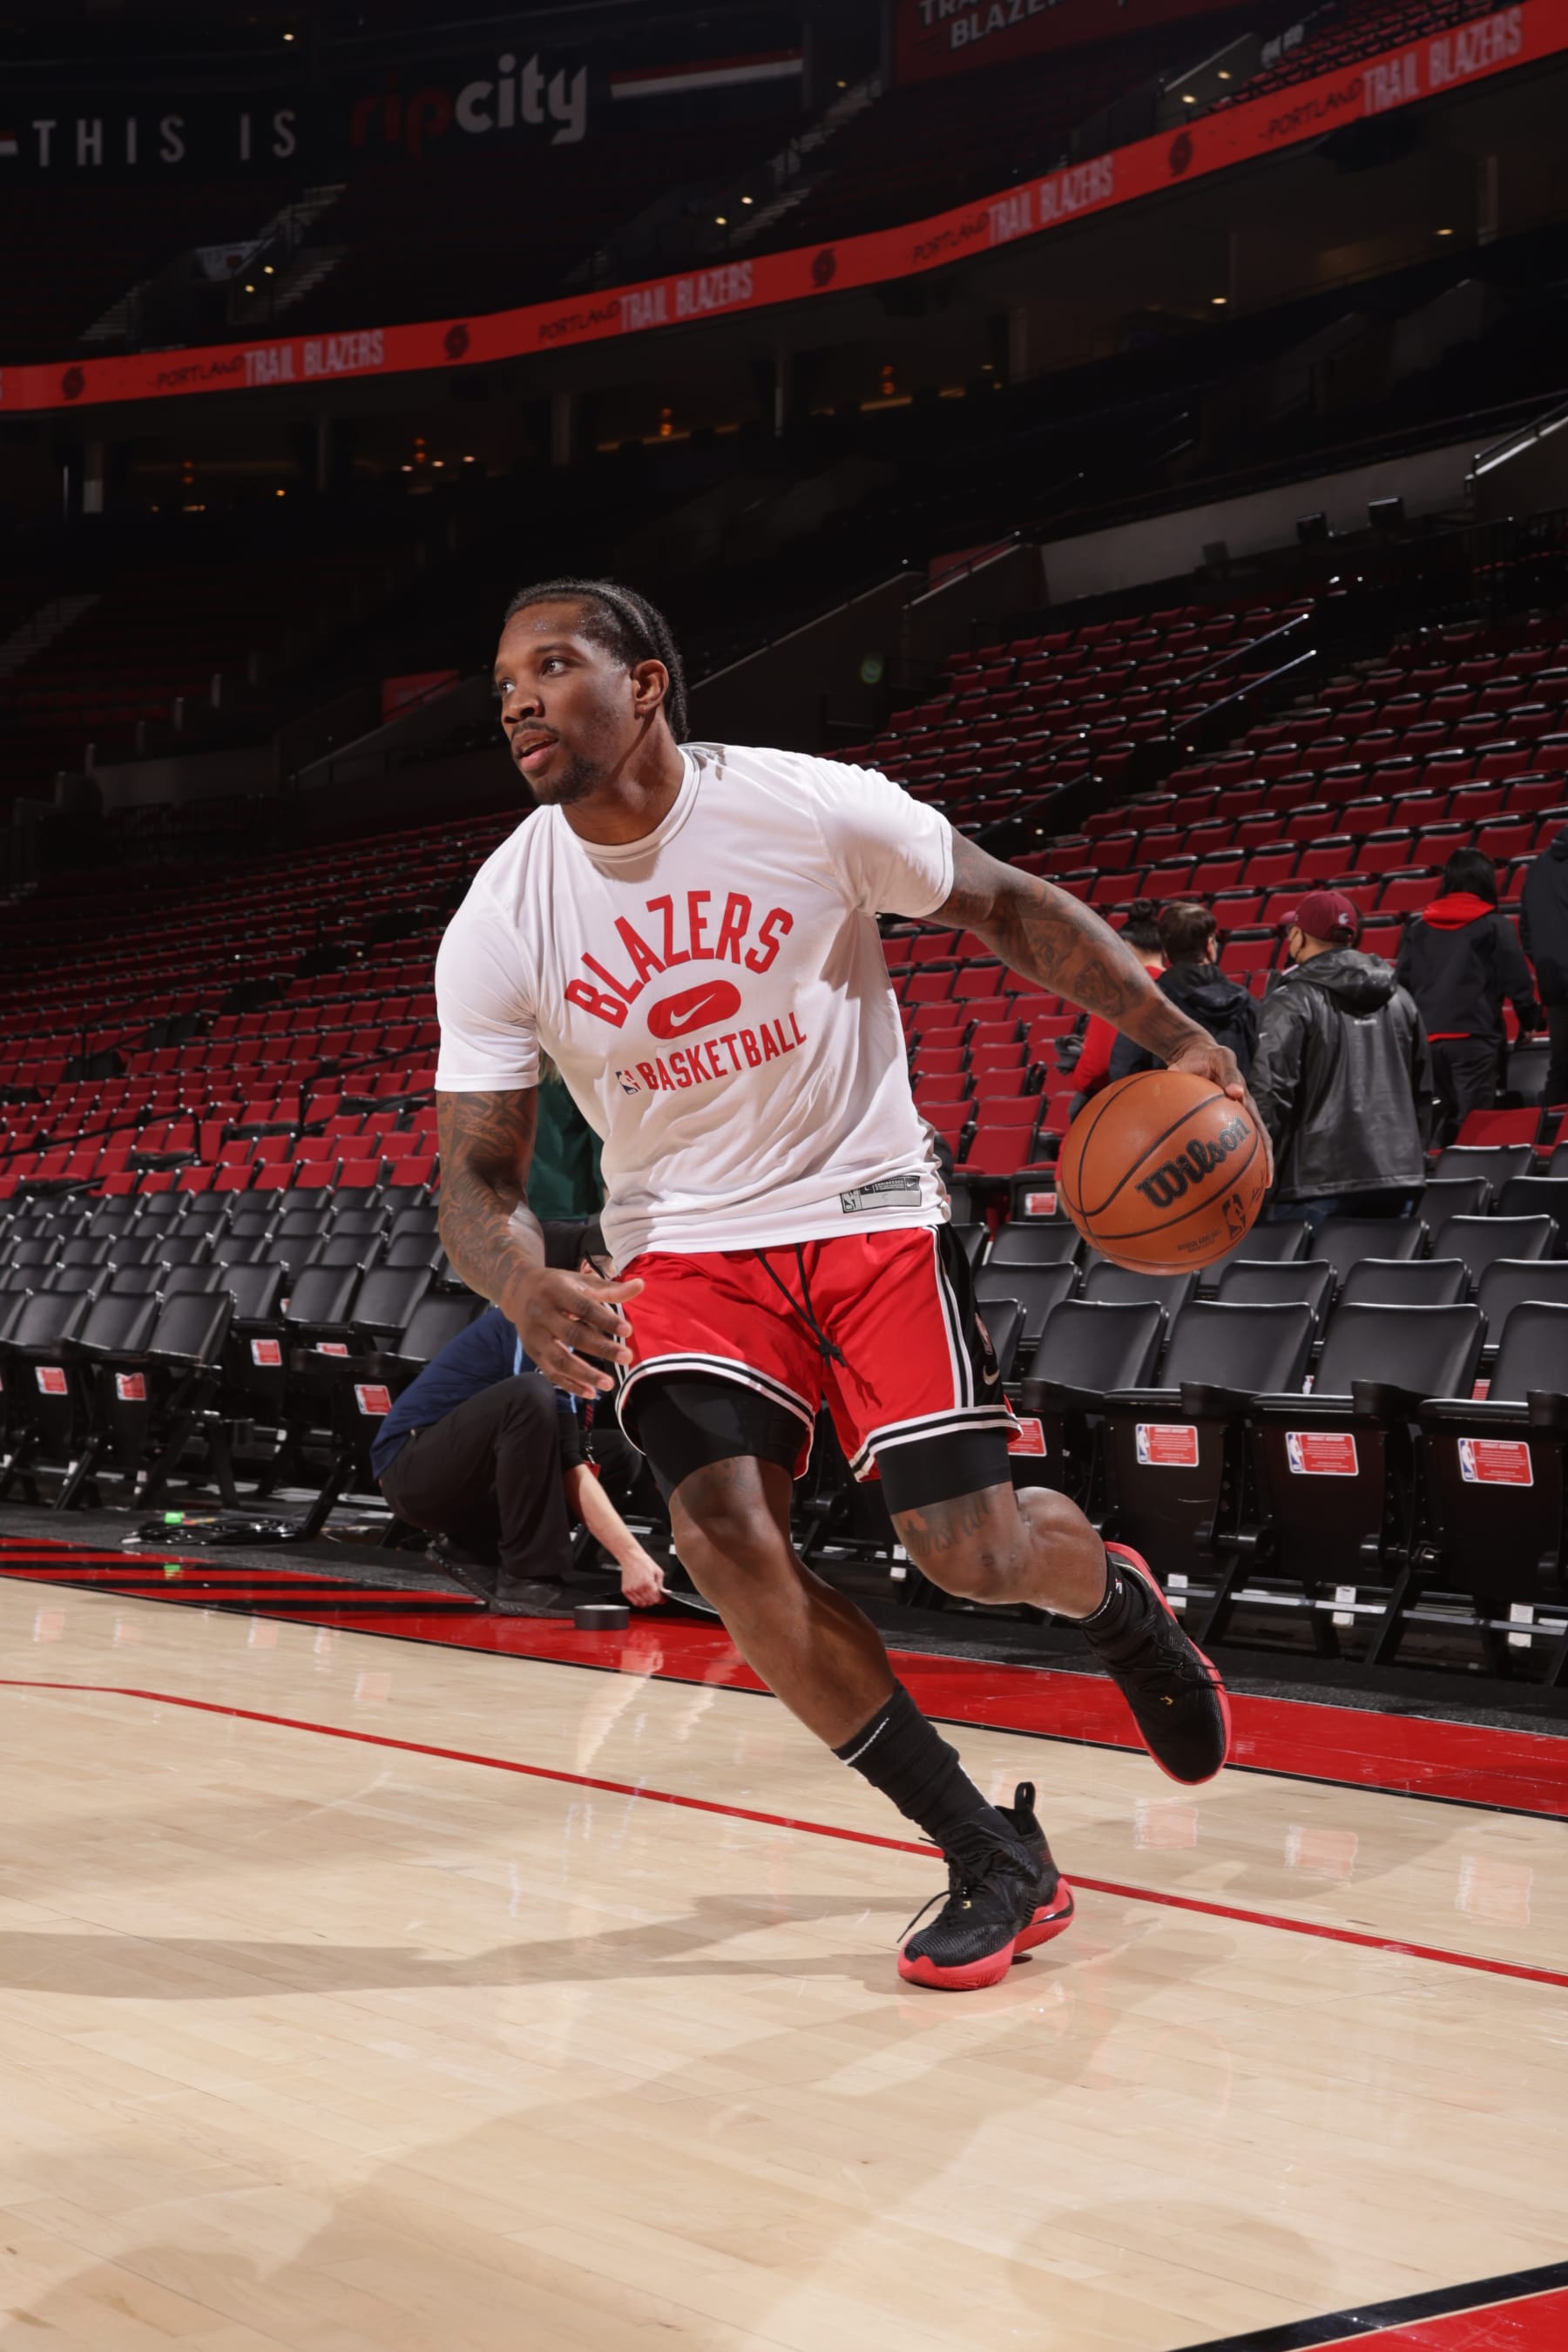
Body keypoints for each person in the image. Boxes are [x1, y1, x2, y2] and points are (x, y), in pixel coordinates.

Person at [433, 575, 1268, 1994]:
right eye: (504, 674)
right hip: (686, 1249)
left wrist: (1174, 1032)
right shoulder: (504, 911)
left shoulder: (802, 804)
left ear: (645, 683)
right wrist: (517, 1285)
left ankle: (1116, 1599)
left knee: (973, 1557)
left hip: (868, 1208)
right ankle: (986, 1850)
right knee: (720, 1536)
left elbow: (1009, 908)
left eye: (553, 664)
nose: (516, 694)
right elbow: (476, 1181)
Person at [375, 1294, 666, 1615]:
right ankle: (528, 1578)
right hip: (414, 1475)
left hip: (469, 1475)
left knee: (615, 1454)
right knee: (528, 1394)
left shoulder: (575, 1351)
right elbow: (566, 1463)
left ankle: (475, 1549)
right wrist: (630, 1554)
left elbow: (567, 1453)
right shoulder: (531, 1322)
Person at [1251, 889, 1429, 1231]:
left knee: (1304, 1284)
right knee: (1378, 1283)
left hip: (1314, 1181)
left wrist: (1258, 1177)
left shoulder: (1291, 999)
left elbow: (1271, 1093)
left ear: (1299, 936)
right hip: (1398, 1176)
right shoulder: (1401, 999)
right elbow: (1424, 1093)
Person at [1396, 849, 1538, 1141]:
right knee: (1474, 1125)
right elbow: (1516, 978)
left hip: (1428, 1041)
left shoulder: (1419, 927)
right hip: (1474, 1038)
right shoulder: (1494, 925)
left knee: (1436, 1120)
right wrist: (1529, 1020)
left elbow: (1401, 985)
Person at [1106, 901, 1257, 1085]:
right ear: (1210, 945)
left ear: (1166, 952)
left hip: (1171, 1108)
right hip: (1233, 1108)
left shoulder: (1148, 1002)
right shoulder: (1247, 1003)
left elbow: (1124, 1068)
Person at [1070, 898, 1163, 1105]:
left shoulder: (1117, 992)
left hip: (1130, 1104)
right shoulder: (1181, 986)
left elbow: (1097, 1066)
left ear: (1126, 948)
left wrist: (1079, 1080)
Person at [1519, 819, 1568, 1109]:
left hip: (1555, 982)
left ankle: (1550, 1142)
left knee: (1561, 1067)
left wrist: (1545, 964)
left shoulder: (1538, 868)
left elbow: (1526, 929)